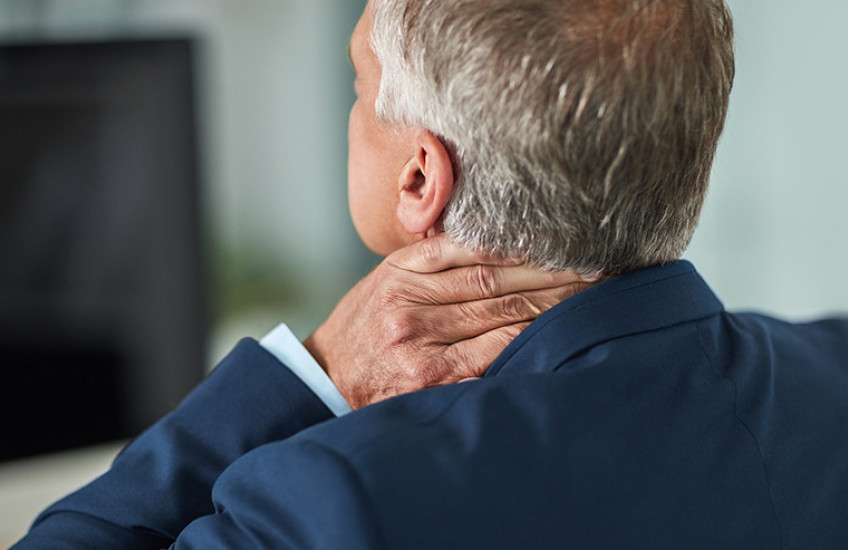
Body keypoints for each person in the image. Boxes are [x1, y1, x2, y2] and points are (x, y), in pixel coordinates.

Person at [13, 0, 848, 548]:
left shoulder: (333, 500)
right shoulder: (834, 376)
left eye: (356, 82)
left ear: (420, 178)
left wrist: (320, 370)